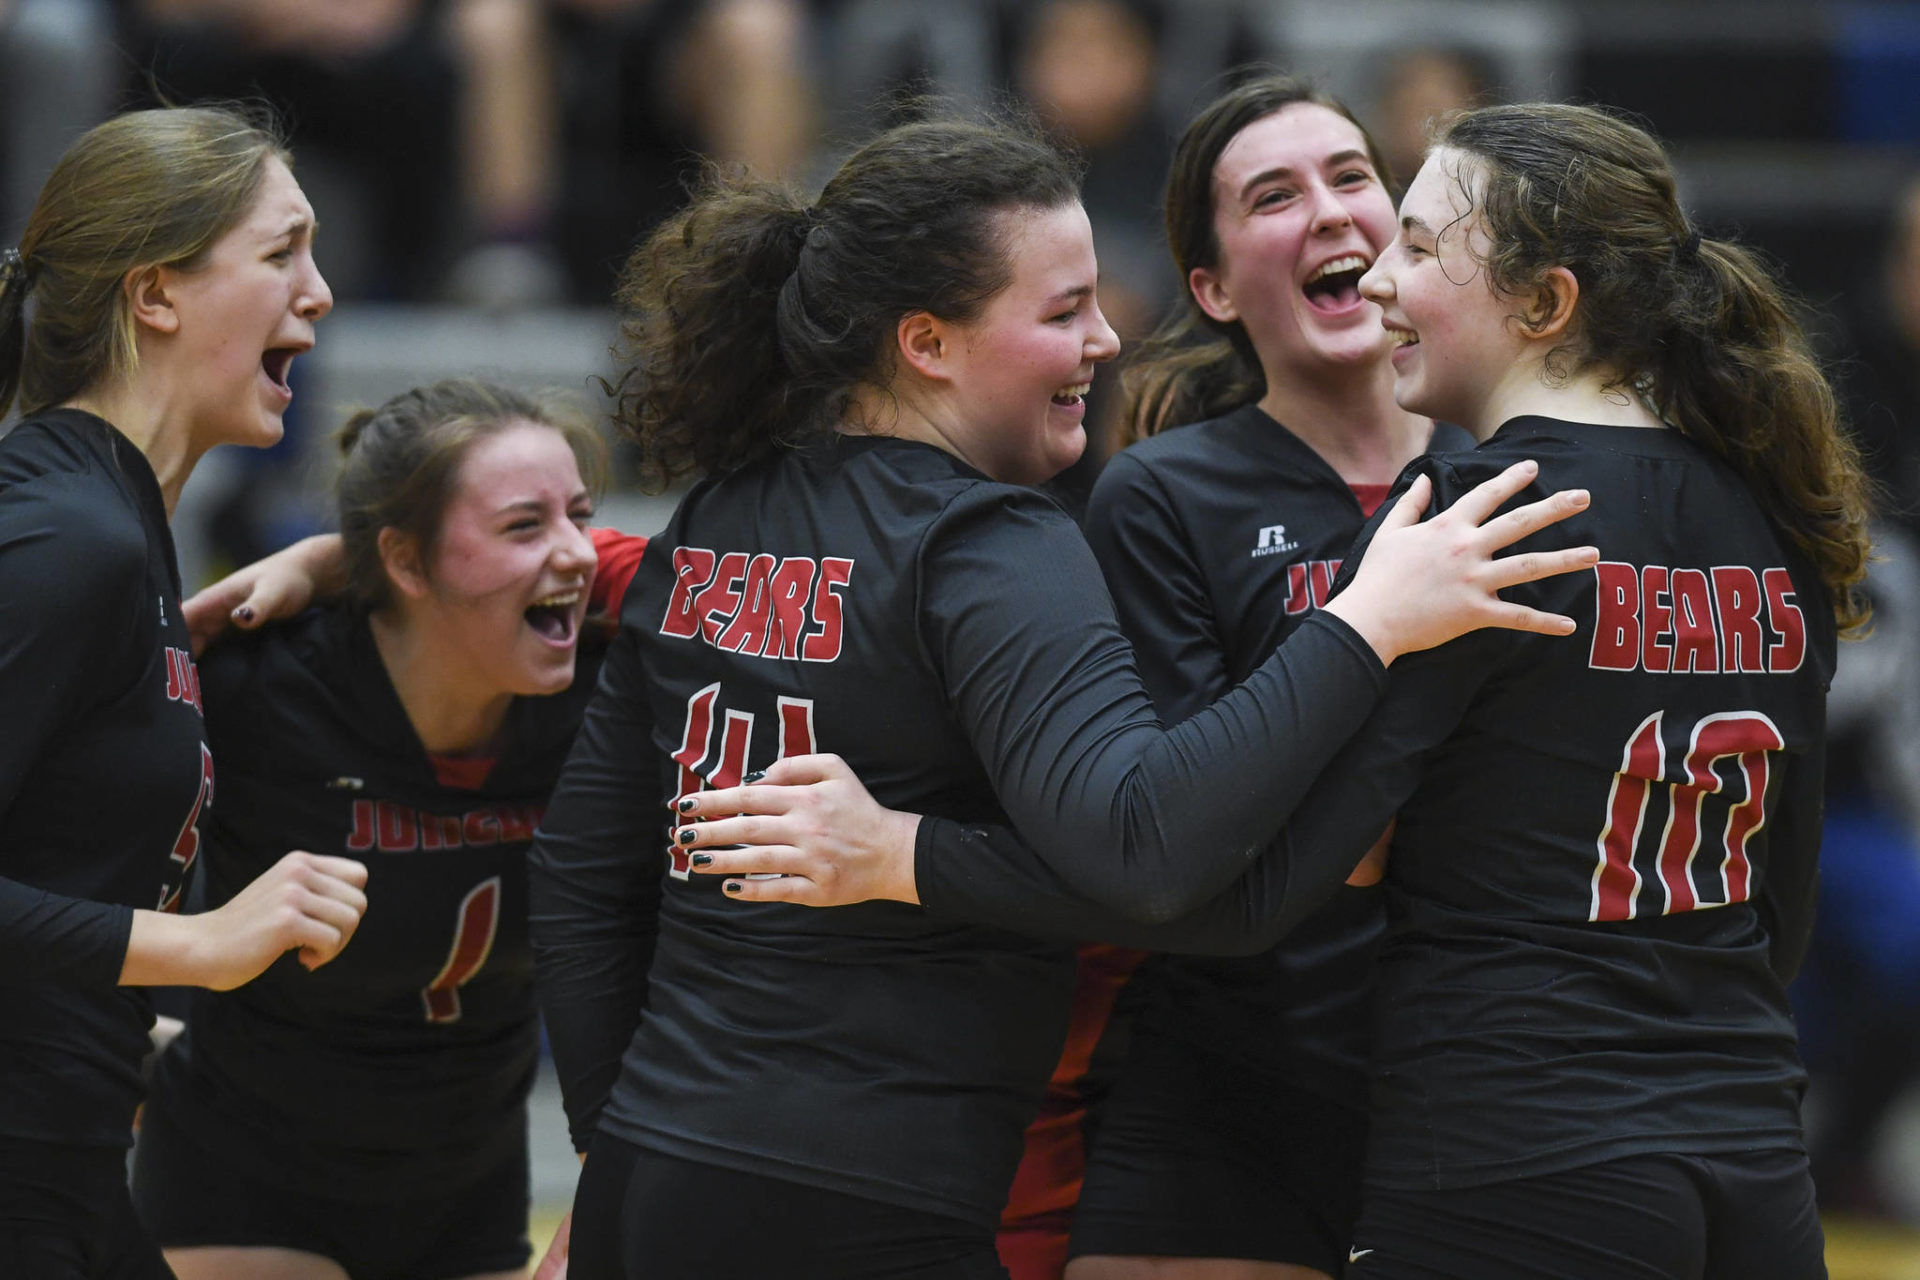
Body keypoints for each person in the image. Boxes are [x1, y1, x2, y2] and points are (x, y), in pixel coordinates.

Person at [686, 102, 1871, 1280]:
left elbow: (1243, 880)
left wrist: (906, 854)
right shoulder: (1770, 502)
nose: (1382, 277)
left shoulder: (1468, 514)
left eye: (1416, 242)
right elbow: (1786, 906)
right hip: (1745, 1141)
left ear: (1545, 303)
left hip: (1519, 1139)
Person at [528, 112, 1596, 1280]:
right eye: (1062, 310)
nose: (1104, 338)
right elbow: (1144, 844)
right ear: (928, 342)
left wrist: (605, 1138)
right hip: (867, 1202)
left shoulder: (716, 520)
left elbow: (583, 871)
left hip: (653, 1179)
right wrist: (1367, 618)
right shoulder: (990, 542)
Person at [1041, 74, 1471, 1280]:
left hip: (1477, 1078)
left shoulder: (1515, 461)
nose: (1330, 213)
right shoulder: (1164, 494)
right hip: (1232, 1077)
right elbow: (1188, 826)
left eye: (1350, 178)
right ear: (1215, 287)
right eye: (1273, 196)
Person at [130, 380, 645, 1280]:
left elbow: (736, 588)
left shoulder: (610, 694)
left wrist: (333, 553)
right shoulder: (261, 685)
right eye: (526, 526)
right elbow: (71, 863)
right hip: (244, 1180)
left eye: (581, 516)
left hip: (471, 1189)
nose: (575, 554)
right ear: (406, 563)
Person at [0, 105, 368, 1280]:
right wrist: (196, 945)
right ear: (155, 294)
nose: (318, 292)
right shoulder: (68, 535)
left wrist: (125, 1030)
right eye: (282, 252)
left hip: (62, 1154)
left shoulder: (120, 522)